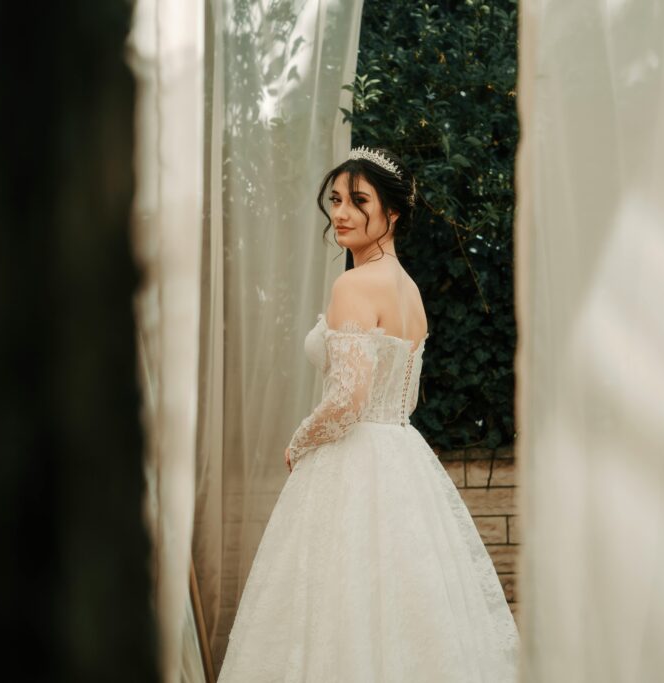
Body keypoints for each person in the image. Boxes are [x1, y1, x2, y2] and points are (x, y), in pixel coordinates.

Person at [216, 147, 519, 682]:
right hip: (402, 457)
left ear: (392, 213)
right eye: (336, 199)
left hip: (352, 462)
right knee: (402, 605)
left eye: (359, 201)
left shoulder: (354, 285)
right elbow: (401, 394)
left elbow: (349, 399)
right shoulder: (411, 291)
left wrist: (301, 439)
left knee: (337, 604)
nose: (342, 212)